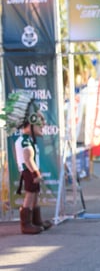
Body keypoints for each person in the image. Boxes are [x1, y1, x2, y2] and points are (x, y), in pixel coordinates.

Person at [0, 92, 52, 234]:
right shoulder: (24, 141)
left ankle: (36, 221)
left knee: (35, 194)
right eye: (39, 124)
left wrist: (37, 113)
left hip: (31, 172)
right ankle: (26, 224)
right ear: (30, 124)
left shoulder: (28, 140)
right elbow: (28, 159)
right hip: (29, 172)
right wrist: (35, 172)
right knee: (30, 195)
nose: (43, 125)